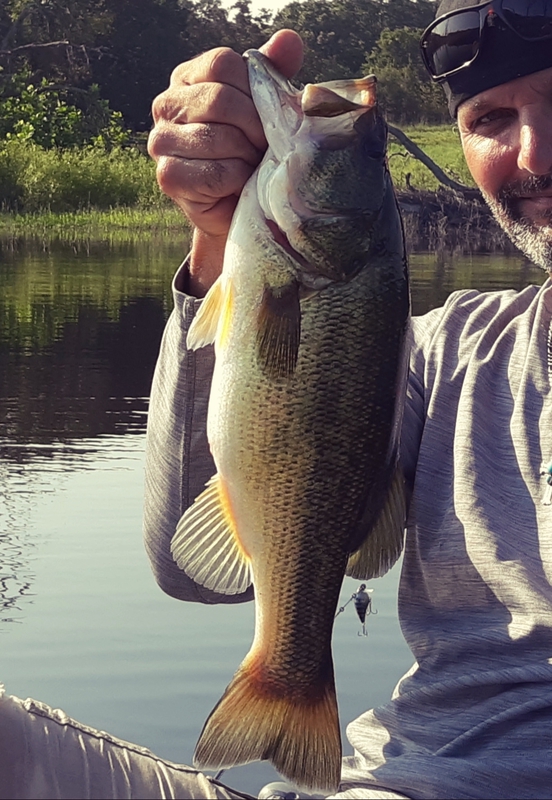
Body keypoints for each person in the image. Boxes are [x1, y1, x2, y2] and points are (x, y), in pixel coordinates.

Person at [144, 0, 552, 797]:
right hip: (369, 773)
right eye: (493, 117)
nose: (537, 152)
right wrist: (221, 244)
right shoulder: (444, 351)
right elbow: (193, 572)